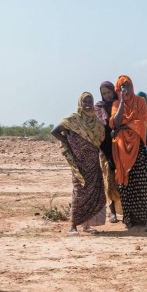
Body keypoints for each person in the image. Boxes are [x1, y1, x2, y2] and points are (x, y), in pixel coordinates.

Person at [50, 92, 107, 235]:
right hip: (79, 163)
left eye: (90, 101)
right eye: (85, 101)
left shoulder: (96, 122)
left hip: (93, 162)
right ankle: (73, 226)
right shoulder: (73, 119)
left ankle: (87, 226)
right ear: (80, 103)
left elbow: (101, 139)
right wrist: (68, 142)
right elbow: (55, 131)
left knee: (93, 193)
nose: (87, 104)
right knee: (79, 193)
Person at [110, 75, 147, 231]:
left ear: (132, 86)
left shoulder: (140, 102)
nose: (125, 89)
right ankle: (129, 218)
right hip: (122, 149)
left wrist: (122, 127)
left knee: (141, 183)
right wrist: (121, 100)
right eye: (122, 86)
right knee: (125, 184)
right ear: (118, 89)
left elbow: (141, 122)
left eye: (127, 85)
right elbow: (115, 122)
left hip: (138, 147)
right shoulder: (116, 104)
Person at [95, 81, 122, 223]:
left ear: (113, 91)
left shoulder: (121, 104)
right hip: (105, 147)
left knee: (122, 178)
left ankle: (124, 210)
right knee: (109, 178)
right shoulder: (99, 107)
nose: (107, 95)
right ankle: (112, 213)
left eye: (109, 92)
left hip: (121, 147)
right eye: (104, 93)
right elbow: (105, 123)